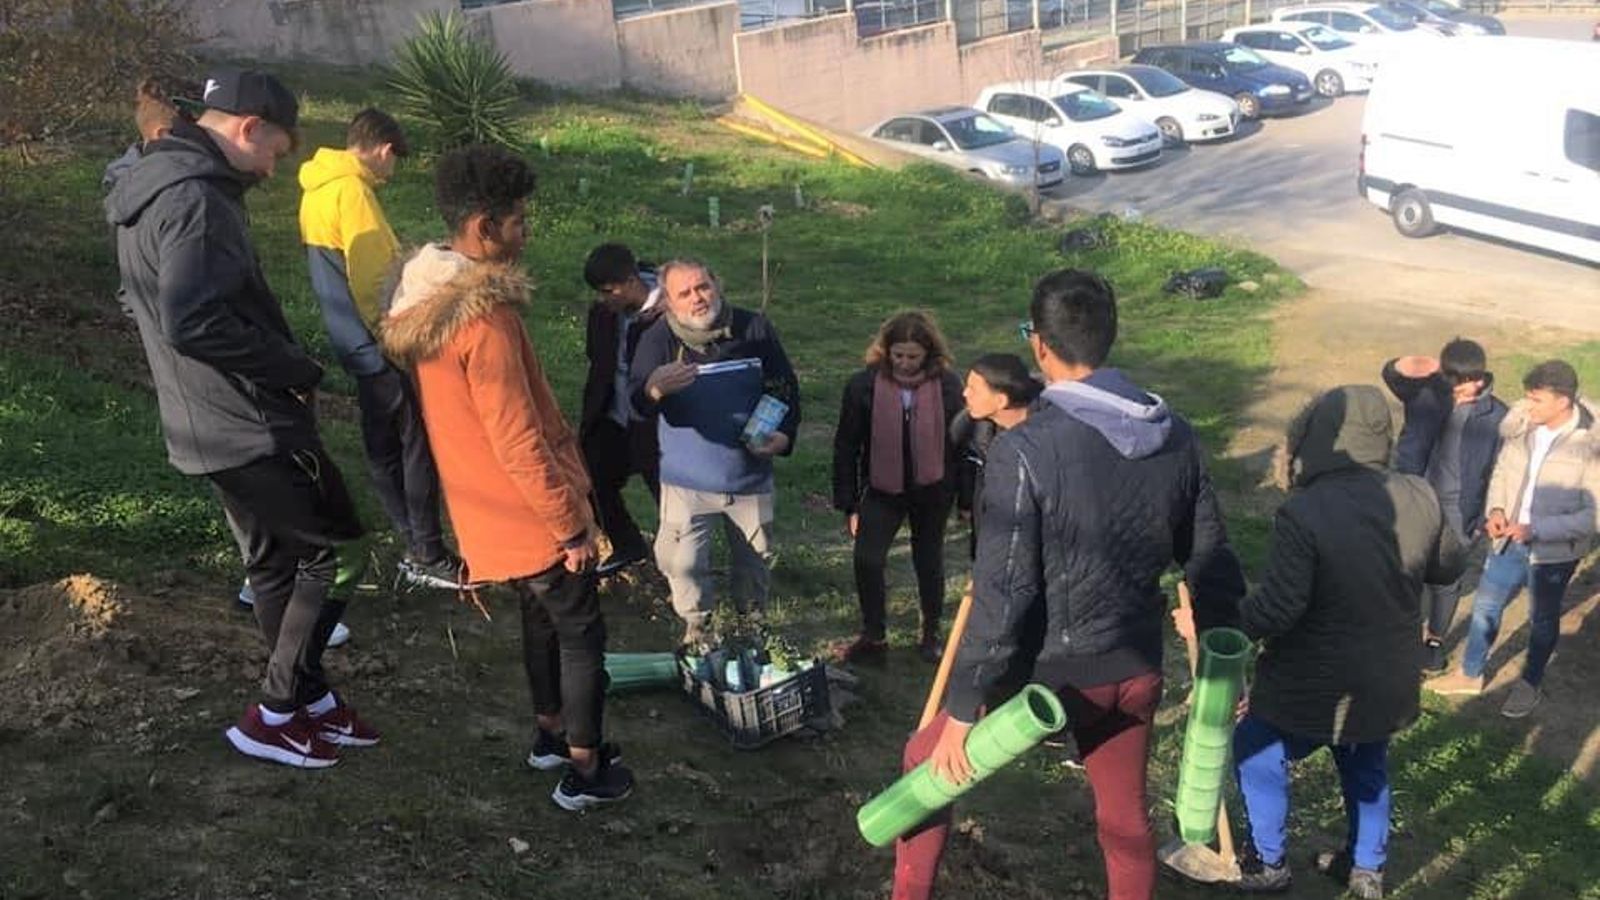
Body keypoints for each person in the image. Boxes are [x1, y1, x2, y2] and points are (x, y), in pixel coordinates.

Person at [895, 269, 1247, 900]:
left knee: (925, 766)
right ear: (1108, 338)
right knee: (1123, 819)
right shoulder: (1176, 436)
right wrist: (1227, 664)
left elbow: (1004, 593)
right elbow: (1212, 560)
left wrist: (963, 707)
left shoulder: (1024, 450)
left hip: (1050, 678)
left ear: (1039, 346)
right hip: (1135, 670)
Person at [105, 68, 374, 768]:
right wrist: (298, 370)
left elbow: (152, 305)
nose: (276, 167)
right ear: (249, 127)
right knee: (335, 550)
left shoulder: (149, 185)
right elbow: (192, 320)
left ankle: (308, 699)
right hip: (248, 419)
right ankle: (276, 709)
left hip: (201, 418)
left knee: (272, 562)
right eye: (278, 150)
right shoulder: (196, 198)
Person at [380, 145, 631, 810]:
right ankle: (584, 767)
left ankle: (550, 733)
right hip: (529, 506)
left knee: (541, 619)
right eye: (519, 221)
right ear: (484, 227)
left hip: (485, 505)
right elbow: (517, 436)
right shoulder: (484, 319)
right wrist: (571, 524)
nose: (527, 233)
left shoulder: (427, 306)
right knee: (581, 630)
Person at [1180, 386, 1464, 899]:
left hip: (1312, 680)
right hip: (1389, 671)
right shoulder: (1419, 493)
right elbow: (1450, 565)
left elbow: (1281, 607)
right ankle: (1366, 871)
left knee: (1257, 747)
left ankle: (1269, 864)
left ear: (1316, 438)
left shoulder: (1306, 511)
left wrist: (1221, 628)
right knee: (1366, 759)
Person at [297, 107, 463, 592]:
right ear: (384, 150)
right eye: (394, 162)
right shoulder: (353, 192)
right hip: (377, 343)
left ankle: (411, 542)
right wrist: (396, 336)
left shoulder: (317, 188)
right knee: (416, 445)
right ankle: (428, 553)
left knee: (382, 444)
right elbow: (371, 277)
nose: (392, 172)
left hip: (349, 340)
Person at [628, 259, 801, 646]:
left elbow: (785, 388)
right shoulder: (658, 340)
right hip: (686, 480)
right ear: (669, 304)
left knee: (755, 561)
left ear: (717, 285)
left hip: (749, 476)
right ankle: (697, 628)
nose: (697, 298)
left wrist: (783, 437)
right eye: (685, 293)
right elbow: (635, 405)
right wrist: (654, 390)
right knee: (682, 563)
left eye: (703, 287)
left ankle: (752, 629)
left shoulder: (753, 328)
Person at [1426, 360, 1599, 718]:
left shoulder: (1591, 446)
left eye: (1537, 400)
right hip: (1507, 540)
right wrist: (1496, 511)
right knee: (1486, 607)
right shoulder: (1523, 426)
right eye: (1527, 398)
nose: (1528, 406)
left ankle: (1528, 685)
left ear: (1563, 401)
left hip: (1553, 552)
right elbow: (1503, 471)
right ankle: (1470, 674)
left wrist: (1538, 530)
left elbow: (1593, 515)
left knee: (1542, 619)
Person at [832, 311, 964, 664]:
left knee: (929, 559)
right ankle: (874, 635)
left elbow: (962, 446)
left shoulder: (949, 387)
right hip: (881, 485)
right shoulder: (864, 386)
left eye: (913, 357)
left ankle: (931, 632)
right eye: (898, 356)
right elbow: (846, 444)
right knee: (867, 558)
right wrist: (849, 502)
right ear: (886, 352)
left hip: (933, 488)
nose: (905, 364)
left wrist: (965, 498)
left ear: (929, 354)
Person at [1382, 340, 1507, 673]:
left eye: (1478, 377)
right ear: (1447, 376)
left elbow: (1500, 469)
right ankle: (1397, 634)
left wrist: (1487, 512)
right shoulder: (1426, 398)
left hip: (1458, 513)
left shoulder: (1497, 416)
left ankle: (1434, 643)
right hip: (1414, 500)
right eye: (1464, 379)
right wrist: (1420, 366)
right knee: (1404, 569)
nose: (1474, 385)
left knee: (1445, 580)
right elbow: (1392, 374)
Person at [579, 243, 664, 576]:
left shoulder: (670, 312)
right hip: (613, 418)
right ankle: (627, 543)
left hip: (657, 425)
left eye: (609, 291)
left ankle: (683, 567)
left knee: (668, 498)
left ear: (631, 280)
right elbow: (598, 364)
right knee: (589, 479)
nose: (605, 299)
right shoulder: (602, 315)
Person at [949, 353, 1042, 559]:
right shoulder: (978, 429)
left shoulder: (1046, 443)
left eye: (973, 389)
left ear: (1001, 400)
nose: (964, 394)